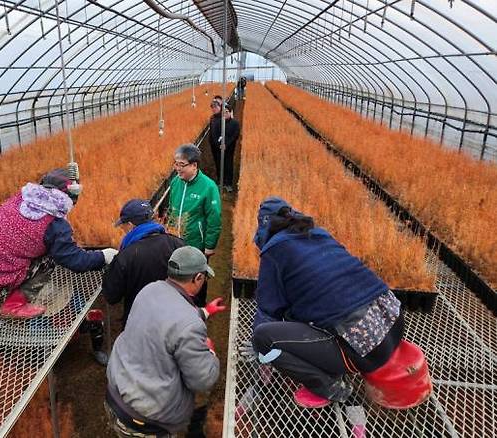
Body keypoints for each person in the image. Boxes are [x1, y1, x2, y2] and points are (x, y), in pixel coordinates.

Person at [240, 196, 431, 409]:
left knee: (263, 339)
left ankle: (328, 386)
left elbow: (268, 311)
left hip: (360, 349)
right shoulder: (319, 234)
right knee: (309, 314)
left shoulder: (274, 252)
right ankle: (332, 361)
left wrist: (262, 353)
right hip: (393, 324)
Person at [0, 166, 119, 319]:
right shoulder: (55, 226)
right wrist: (103, 256)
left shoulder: (22, 198)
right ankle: (14, 306)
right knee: (50, 259)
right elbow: (74, 261)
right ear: (70, 197)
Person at [105, 246, 226, 437]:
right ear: (197, 278)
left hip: (116, 394)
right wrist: (210, 353)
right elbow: (203, 380)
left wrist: (205, 311)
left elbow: (168, 318)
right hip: (146, 421)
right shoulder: (189, 325)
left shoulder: (149, 290)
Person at [102, 198, 185, 327]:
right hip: (173, 319)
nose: (123, 229)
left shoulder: (126, 256)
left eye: (123, 225)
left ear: (130, 225)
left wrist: (110, 267)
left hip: (139, 324)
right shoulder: (178, 244)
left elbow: (111, 295)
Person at [167, 144, 221, 306]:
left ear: (194, 165)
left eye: (181, 165)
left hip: (196, 244)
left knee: (196, 280)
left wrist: (209, 246)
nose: (177, 168)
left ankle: (198, 309)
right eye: (175, 164)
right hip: (175, 241)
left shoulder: (208, 186)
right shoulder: (176, 182)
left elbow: (214, 218)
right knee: (176, 278)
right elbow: (171, 209)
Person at [209, 103, 240, 192]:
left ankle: (228, 183)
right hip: (219, 148)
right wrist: (219, 144)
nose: (225, 114)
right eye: (223, 112)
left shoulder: (235, 123)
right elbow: (214, 135)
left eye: (227, 112)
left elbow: (235, 135)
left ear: (230, 113)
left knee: (228, 164)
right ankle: (220, 182)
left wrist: (226, 144)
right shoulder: (218, 122)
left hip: (229, 148)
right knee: (219, 164)